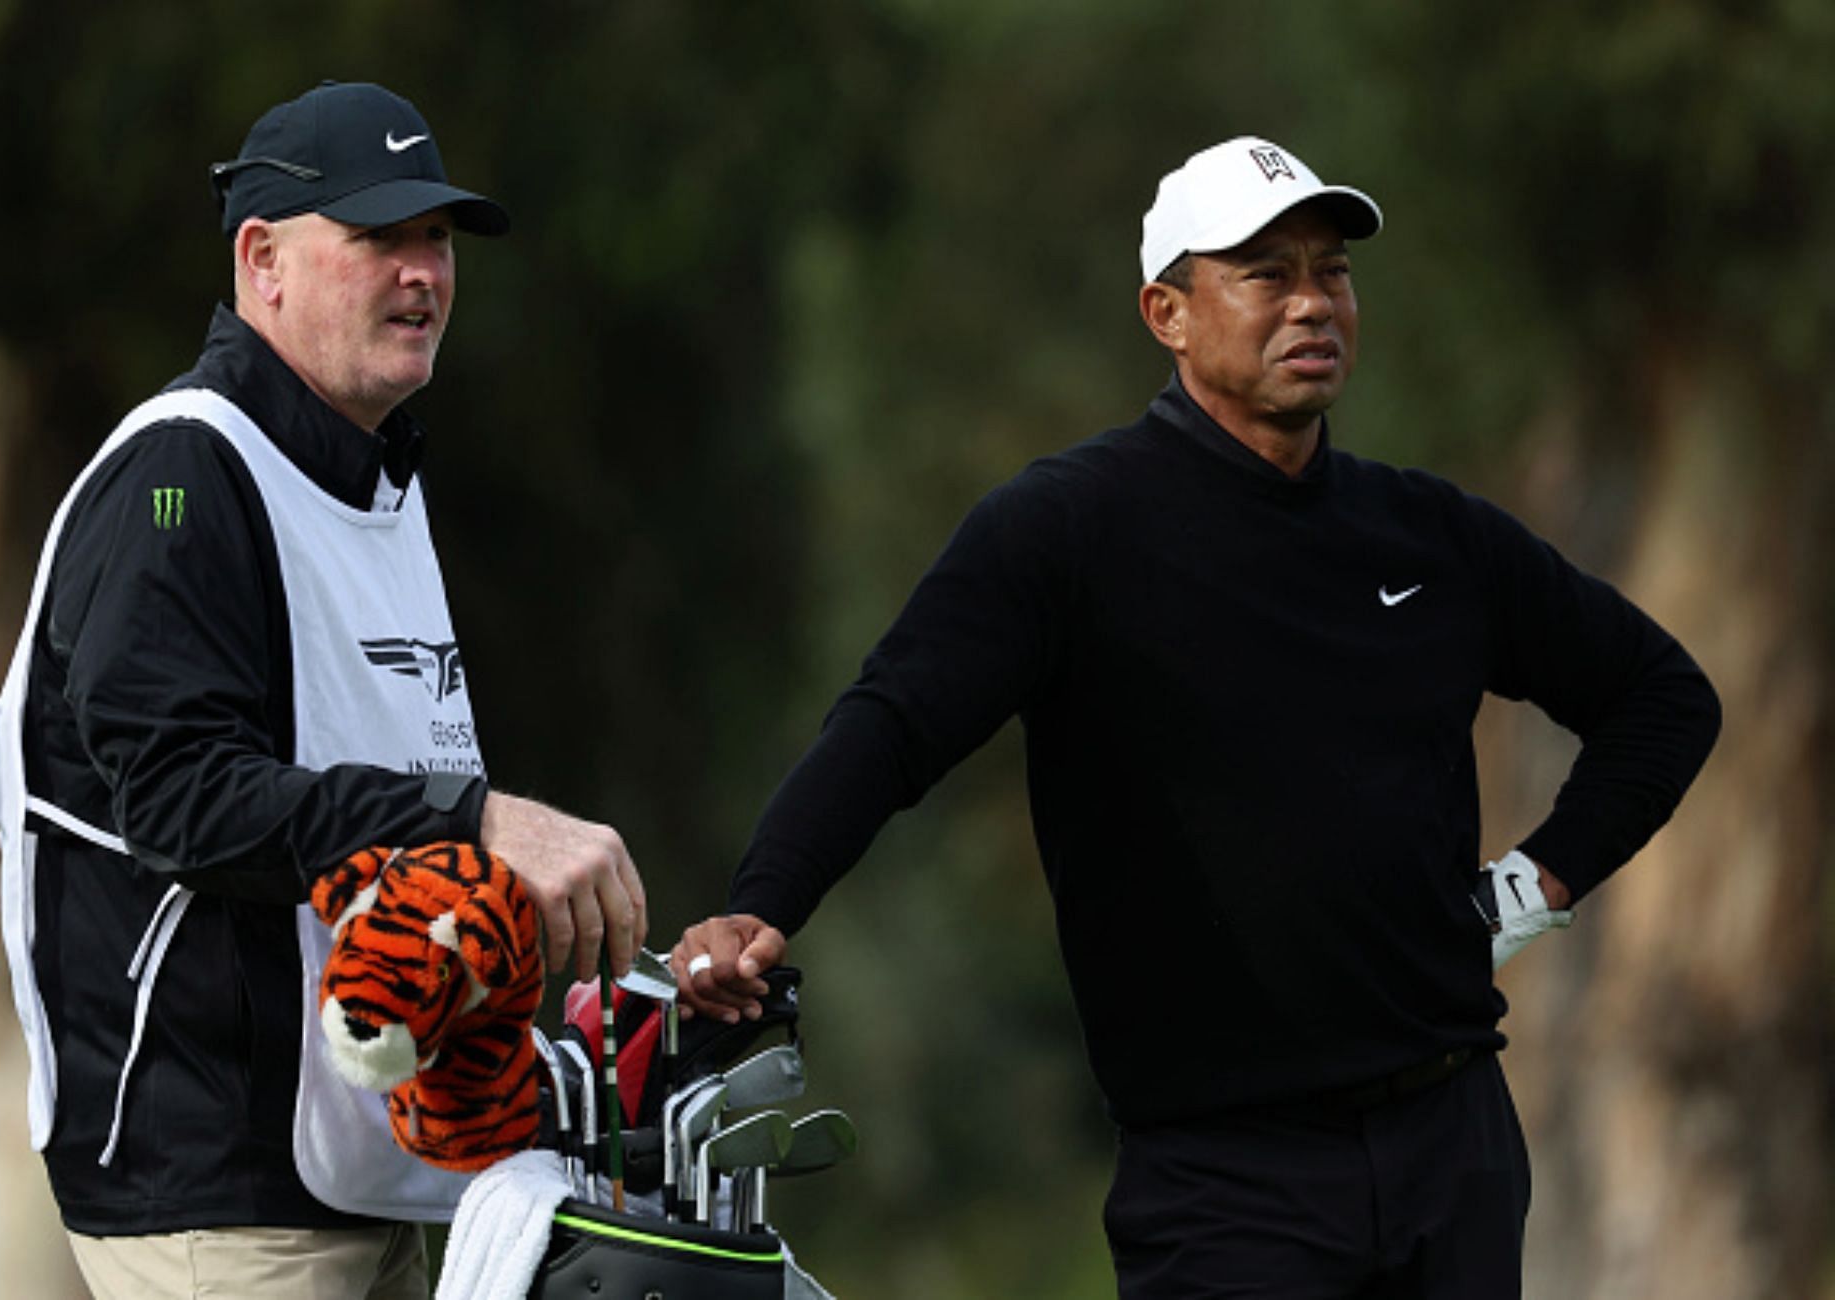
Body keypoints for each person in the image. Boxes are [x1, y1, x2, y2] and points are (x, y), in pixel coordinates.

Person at [673, 136, 1721, 1297]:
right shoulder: (1065, 532)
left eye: (1333, 270)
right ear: (1167, 312)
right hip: (1226, 1183)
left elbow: (1664, 700)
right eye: (1266, 273)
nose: (1314, 302)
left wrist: (1535, 889)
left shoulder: (1429, 534)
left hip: (1452, 1145)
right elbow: (893, 726)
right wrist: (762, 904)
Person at [0, 81, 646, 1299]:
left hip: (357, 1181)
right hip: (215, 1194)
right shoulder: (182, 475)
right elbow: (182, 800)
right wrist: (479, 817)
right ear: (263, 260)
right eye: (380, 235)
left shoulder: (373, 476)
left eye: (437, 239)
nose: (423, 273)